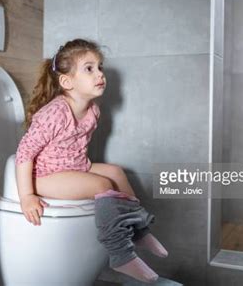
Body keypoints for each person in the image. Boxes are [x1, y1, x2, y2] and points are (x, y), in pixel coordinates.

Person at [15, 39, 167, 283]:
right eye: (89, 68)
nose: (99, 74)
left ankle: (138, 229)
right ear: (67, 82)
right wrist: (26, 196)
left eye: (100, 67)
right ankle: (121, 256)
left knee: (116, 173)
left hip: (74, 166)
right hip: (44, 176)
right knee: (100, 186)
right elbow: (24, 153)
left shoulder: (93, 110)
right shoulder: (55, 113)